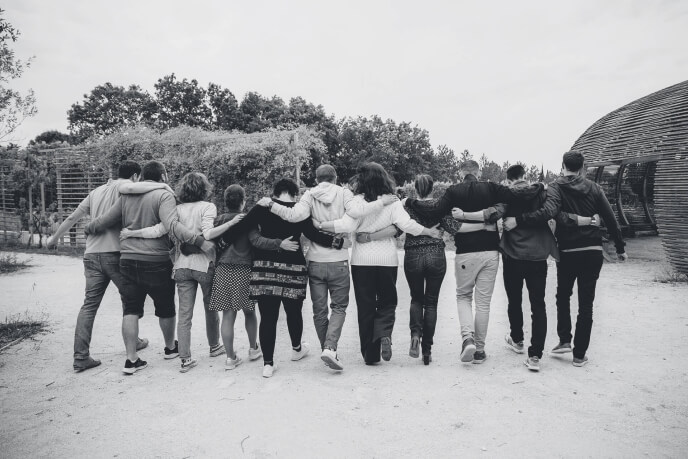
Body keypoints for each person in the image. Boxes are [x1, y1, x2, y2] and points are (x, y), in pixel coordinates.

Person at [255, 164, 397, 371]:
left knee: (319, 311)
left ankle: (327, 349)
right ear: (335, 177)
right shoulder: (344, 193)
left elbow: (293, 215)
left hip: (315, 262)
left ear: (316, 178)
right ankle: (330, 348)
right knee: (339, 307)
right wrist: (381, 202)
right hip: (339, 261)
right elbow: (356, 212)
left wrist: (271, 204)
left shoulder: (309, 195)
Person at [84, 161, 212, 375]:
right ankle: (170, 348)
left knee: (130, 309)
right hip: (156, 260)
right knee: (166, 307)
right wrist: (199, 241)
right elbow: (172, 225)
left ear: (142, 176)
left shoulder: (126, 195)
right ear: (163, 176)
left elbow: (106, 220)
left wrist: (89, 227)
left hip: (127, 259)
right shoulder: (164, 195)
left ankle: (131, 359)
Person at [504, 151, 627, 367]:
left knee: (563, 295)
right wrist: (619, 246)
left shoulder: (555, 187)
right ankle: (579, 355)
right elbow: (609, 217)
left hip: (568, 251)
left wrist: (571, 220)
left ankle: (564, 340)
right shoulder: (594, 188)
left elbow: (553, 213)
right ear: (582, 167)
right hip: (592, 249)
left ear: (563, 166)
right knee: (586, 303)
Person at [317, 163, 443, 365]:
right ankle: (384, 332)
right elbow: (406, 225)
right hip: (387, 261)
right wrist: (429, 231)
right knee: (387, 302)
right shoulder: (392, 201)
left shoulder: (357, 202)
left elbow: (347, 225)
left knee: (365, 307)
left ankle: (371, 355)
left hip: (361, 261)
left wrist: (321, 225)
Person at [404, 160, 524, 364]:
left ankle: (467, 338)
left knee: (464, 297)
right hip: (490, 251)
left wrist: (410, 202)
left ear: (461, 174)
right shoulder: (492, 188)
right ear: (478, 172)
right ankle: (480, 350)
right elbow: (515, 197)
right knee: (483, 303)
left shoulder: (454, 191)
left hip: (465, 252)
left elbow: (435, 211)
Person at [118, 172, 239, 373]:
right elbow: (208, 232)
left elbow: (158, 230)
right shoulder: (208, 207)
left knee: (184, 314)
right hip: (204, 265)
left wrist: (132, 233)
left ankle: (185, 358)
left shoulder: (175, 209)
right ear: (205, 189)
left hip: (181, 266)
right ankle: (214, 346)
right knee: (210, 308)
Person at [46, 160, 148, 373]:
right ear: (135, 176)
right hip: (116, 254)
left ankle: (81, 357)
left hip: (91, 255)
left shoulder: (96, 192)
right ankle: (133, 344)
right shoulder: (128, 188)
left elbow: (73, 217)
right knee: (130, 300)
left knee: (89, 305)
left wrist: (54, 239)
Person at [246, 178, 343, 378]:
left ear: (275, 192)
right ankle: (297, 349)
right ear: (294, 193)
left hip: (264, 269)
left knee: (268, 317)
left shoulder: (262, 208)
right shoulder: (299, 211)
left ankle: (268, 364)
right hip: (293, 268)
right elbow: (313, 234)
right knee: (293, 312)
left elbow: (247, 231)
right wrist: (337, 242)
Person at [490, 165, 560, 372]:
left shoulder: (507, 195)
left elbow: (495, 214)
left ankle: (517, 339)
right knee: (538, 304)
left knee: (514, 300)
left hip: (513, 254)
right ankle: (535, 355)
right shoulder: (542, 193)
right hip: (537, 255)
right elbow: (549, 213)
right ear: (525, 177)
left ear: (509, 180)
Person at [208, 184, 268, 370]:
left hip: (223, 270)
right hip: (245, 270)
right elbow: (256, 242)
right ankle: (253, 348)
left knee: (228, 314)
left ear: (225, 201)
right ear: (243, 201)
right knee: (249, 311)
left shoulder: (219, 221)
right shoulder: (248, 220)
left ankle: (230, 358)